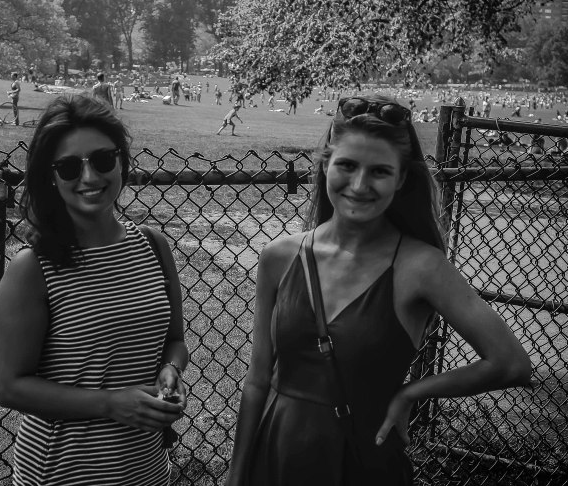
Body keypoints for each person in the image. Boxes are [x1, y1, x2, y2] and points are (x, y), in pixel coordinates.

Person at [226, 95, 532, 486]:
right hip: (275, 453)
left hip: (363, 462)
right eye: (347, 165)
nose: (359, 185)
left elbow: (510, 363)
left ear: (401, 179)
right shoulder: (279, 256)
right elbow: (257, 381)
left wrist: (411, 393)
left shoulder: (421, 267)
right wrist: (237, 475)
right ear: (325, 165)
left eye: (380, 172)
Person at [0, 95, 188, 485]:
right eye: (68, 167)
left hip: (146, 470)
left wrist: (171, 370)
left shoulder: (153, 245)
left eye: (102, 159)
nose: (89, 177)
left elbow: (175, 341)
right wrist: (110, 404)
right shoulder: (33, 268)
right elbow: (10, 388)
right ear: (50, 176)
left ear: (121, 162)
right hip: (62, 472)